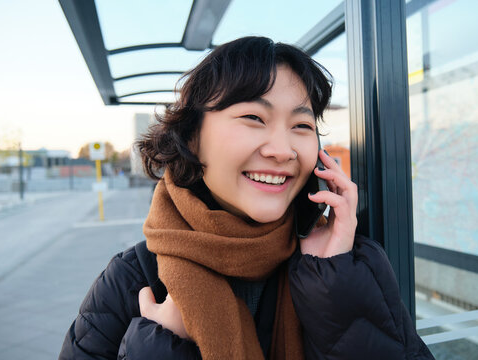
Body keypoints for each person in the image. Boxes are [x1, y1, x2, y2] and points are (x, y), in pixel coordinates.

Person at [59, 36, 433, 359]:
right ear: (192, 136)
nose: (283, 149)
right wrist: (160, 347)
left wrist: (336, 282)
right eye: (254, 118)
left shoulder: (343, 265)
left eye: (302, 126)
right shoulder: (132, 280)